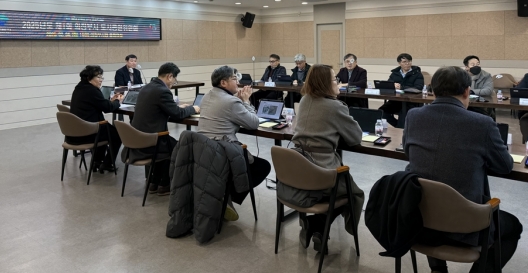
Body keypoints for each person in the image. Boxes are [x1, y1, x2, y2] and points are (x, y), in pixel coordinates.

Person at [403, 66, 522, 273]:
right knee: (513, 227)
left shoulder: (413, 116)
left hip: (418, 218)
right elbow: (504, 166)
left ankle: (437, 269)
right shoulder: (482, 123)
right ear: (467, 91)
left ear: (432, 90)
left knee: (431, 182)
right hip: (467, 225)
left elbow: (408, 152)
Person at [289, 64, 365, 253]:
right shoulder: (335, 106)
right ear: (325, 83)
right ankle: (318, 225)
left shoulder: (305, 100)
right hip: (321, 168)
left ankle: (317, 226)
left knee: (336, 192)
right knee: (353, 194)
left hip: (298, 167)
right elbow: (355, 137)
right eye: (334, 79)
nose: (337, 82)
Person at [198, 66, 272, 221]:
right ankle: (227, 197)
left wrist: (239, 102)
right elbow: (253, 123)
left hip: (204, 150)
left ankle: (223, 196)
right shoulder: (231, 102)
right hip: (223, 152)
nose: (238, 82)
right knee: (263, 166)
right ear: (223, 83)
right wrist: (246, 101)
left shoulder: (207, 96)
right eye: (234, 79)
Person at [123, 62, 200, 196]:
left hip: (137, 139)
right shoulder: (162, 91)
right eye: (175, 79)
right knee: (180, 147)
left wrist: (176, 107)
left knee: (168, 142)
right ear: (170, 76)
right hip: (151, 142)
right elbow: (177, 114)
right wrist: (193, 108)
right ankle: (164, 184)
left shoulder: (147, 87)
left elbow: (163, 108)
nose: (174, 83)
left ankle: (154, 182)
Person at [69, 65, 124, 173]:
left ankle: (97, 162)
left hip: (77, 130)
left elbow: (98, 104)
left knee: (107, 130)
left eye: (101, 77)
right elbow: (107, 108)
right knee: (118, 134)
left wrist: (110, 101)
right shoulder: (92, 90)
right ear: (89, 78)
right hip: (89, 130)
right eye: (98, 77)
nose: (101, 80)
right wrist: (118, 101)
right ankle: (107, 163)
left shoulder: (80, 87)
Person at [379, 53, 424, 127]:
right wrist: (392, 85)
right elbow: (389, 84)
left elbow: (418, 88)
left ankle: (401, 128)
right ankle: (398, 126)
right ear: (399, 63)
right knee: (381, 112)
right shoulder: (395, 73)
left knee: (403, 115)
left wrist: (402, 87)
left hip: (410, 101)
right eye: (404, 62)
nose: (407, 64)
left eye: (409, 61)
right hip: (396, 100)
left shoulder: (417, 74)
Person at [463, 55, 495, 120]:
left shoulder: (486, 76)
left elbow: (488, 90)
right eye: (473, 65)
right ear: (467, 67)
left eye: (478, 64)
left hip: (481, 104)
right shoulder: (461, 75)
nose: (476, 66)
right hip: (464, 103)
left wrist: (472, 91)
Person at [114, 54, 143, 121]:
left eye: (135, 61)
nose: (134, 63)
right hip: (124, 94)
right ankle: (133, 121)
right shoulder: (120, 72)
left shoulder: (137, 72)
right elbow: (120, 86)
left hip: (135, 94)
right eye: (131, 61)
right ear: (127, 62)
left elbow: (140, 84)